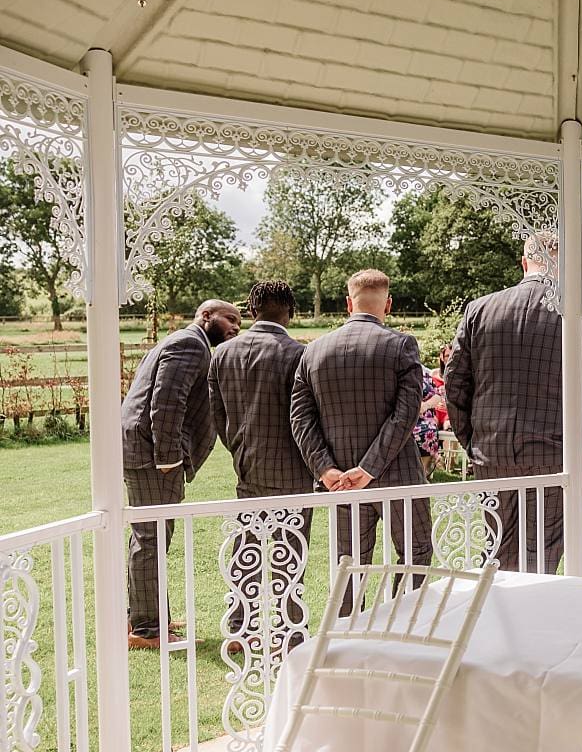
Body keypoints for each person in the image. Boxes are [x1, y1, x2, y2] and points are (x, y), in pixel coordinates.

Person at [444, 233, 582, 571]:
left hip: (492, 453)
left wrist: (473, 441)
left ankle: (497, 620)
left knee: (496, 551)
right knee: (544, 554)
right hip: (556, 452)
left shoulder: (480, 309)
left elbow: (455, 385)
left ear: (525, 263)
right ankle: (534, 621)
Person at [289, 270, 432, 584]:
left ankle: (346, 632)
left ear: (348, 304)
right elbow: (406, 414)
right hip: (398, 476)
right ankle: (401, 627)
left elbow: (300, 417)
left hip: (340, 479)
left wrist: (325, 468)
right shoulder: (401, 344)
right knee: (416, 553)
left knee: (350, 565)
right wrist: (369, 468)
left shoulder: (313, 351)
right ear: (389, 304)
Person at [121, 300, 241, 649]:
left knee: (148, 537)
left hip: (145, 452)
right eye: (230, 319)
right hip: (152, 456)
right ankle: (147, 630)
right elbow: (166, 402)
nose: (236, 326)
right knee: (152, 539)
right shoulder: (190, 344)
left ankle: (148, 615)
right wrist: (169, 458)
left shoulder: (185, 342)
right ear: (206, 317)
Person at [207, 282, 313, 642]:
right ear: (291, 312)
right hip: (293, 467)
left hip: (246, 464)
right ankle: (290, 630)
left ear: (252, 311)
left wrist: (237, 447)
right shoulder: (298, 353)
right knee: (290, 554)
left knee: (246, 551)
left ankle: (240, 627)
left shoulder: (222, 354)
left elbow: (217, 412)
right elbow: (306, 416)